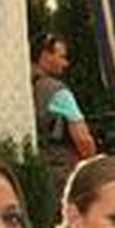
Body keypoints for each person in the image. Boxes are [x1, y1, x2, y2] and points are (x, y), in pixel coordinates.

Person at [31, 34, 97, 191]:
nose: (65, 63)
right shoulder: (58, 92)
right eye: (61, 57)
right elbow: (83, 140)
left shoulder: (23, 87)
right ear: (45, 56)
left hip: (38, 171)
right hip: (63, 172)